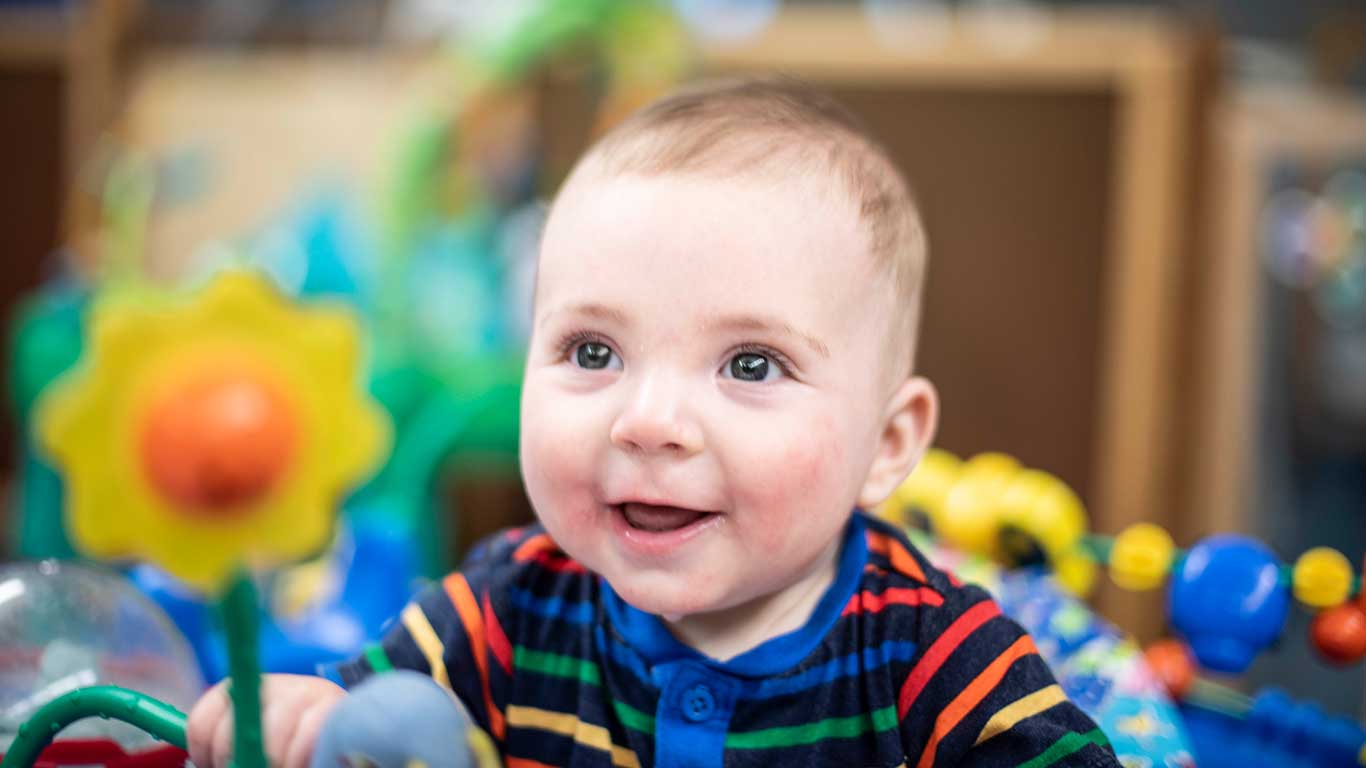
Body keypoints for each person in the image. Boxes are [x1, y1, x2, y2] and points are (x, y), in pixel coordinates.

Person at [188, 75, 1119, 768]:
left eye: (751, 364)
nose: (651, 422)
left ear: (887, 446)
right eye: (593, 352)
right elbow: (363, 717)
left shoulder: (933, 654)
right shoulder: (506, 608)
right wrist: (302, 712)